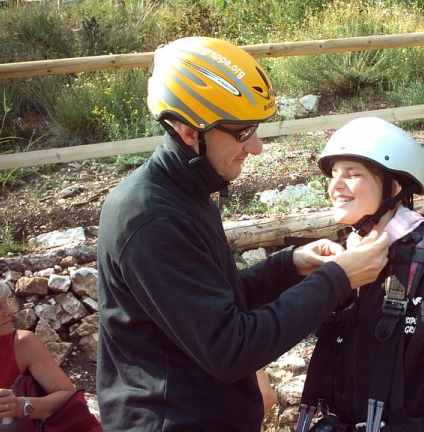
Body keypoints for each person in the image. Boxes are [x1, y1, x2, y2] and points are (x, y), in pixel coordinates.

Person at [96, 36, 390, 431]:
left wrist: (288, 266)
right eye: (242, 132)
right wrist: (337, 279)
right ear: (188, 131)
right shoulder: (151, 219)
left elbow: (214, 303)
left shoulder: (186, 192)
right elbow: (230, 347)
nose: (256, 147)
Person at [297, 117, 424, 431]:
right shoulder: (342, 255)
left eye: (353, 174)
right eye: (334, 175)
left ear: (394, 187)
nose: (335, 187)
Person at [0, 282, 77, 431]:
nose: (9, 311)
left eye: (6, 303)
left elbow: (68, 397)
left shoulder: (22, 344)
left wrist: (21, 406)